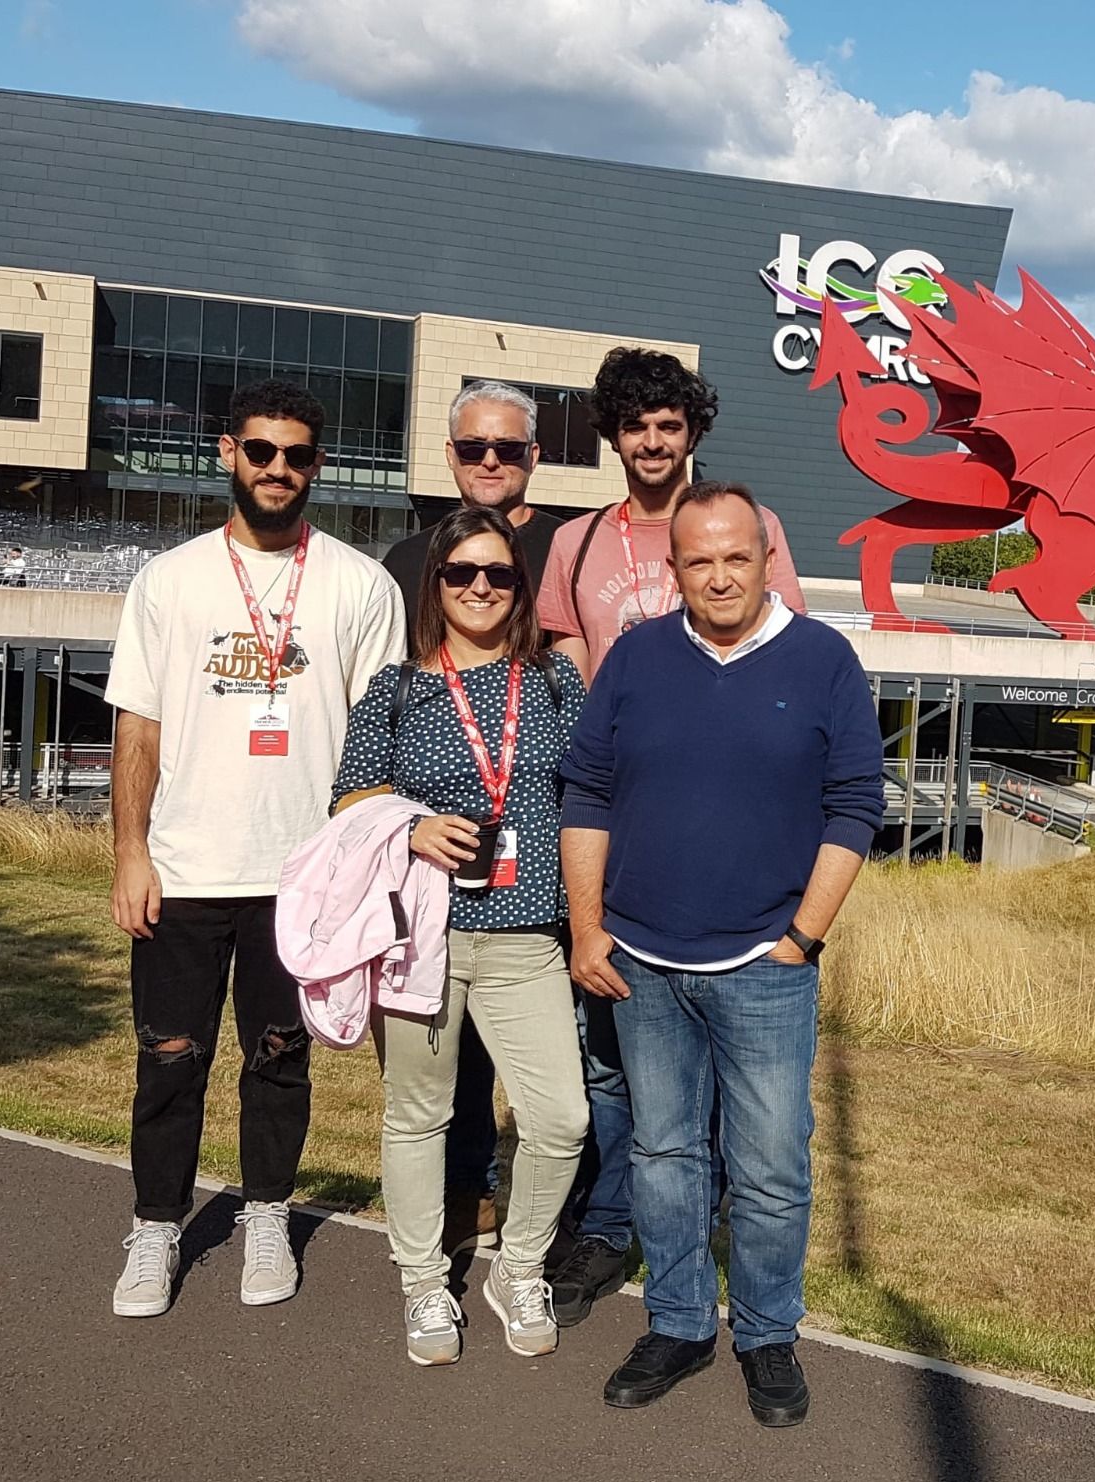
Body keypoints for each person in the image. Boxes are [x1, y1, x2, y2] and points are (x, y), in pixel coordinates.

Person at [560, 481, 883, 1426]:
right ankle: (679, 1323)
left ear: (767, 557)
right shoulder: (635, 657)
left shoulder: (824, 660)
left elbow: (856, 803)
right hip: (643, 963)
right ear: (674, 568)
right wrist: (586, 926)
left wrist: (801, 937)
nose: (719, 575)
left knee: (773, 1164)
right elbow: (587, 792)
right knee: (664, 1155)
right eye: (698, 559)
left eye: (736, 556)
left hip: (764, 967)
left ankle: (768, 1333)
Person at [106, 379, 405, 1318]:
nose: (281, 469)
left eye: (300, 454)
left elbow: (379, 738)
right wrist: (129, 852)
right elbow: (137, 730)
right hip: (186, 868)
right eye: (263, 451)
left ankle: (267, 1216)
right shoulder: (170, 579)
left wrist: (363, 874)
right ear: (227, 451)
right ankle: (157, 1228)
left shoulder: (360, 583)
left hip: (302, 877)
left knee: (280, 1057)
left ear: (321, 463)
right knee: (169, 1057)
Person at [536, 347, 808, 1327]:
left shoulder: (747, 525)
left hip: (735, 846)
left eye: (669, 423)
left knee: (740, 1059)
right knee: (611, 1057)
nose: (653, 441)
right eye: (635, 424)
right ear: (613, 435)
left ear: (692, 431)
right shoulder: (574, 546)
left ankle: (714, 1222)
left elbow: (788, 670)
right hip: (623, 838)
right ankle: (613, 1225)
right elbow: (569, 688)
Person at [332, 504, 588, 1367]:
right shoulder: (397, 689)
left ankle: (518, 1268)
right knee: (419, 1118)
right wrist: (409, 828)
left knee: (559, 1118)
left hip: (527, 941)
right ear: (435, 585)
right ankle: (421, 1284)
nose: (480, 587)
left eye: (499, 573)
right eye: (461, 573)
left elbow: (594, 796)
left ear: (520, 586)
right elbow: (348, 799)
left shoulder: (554, 682)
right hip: (423, 938)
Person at [381, 380, 565, 1255]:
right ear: (450, 456)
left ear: (534, 455)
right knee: (434, 1088)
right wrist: (403, 820)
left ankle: (527, 1227)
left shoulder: (564, 546)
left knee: (552, 1090)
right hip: (434, 904)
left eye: (509, 448)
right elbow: (377, 738)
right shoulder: (405, 556)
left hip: (530, 902)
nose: (490, 461)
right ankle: (456, 1206)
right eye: (472, 448)